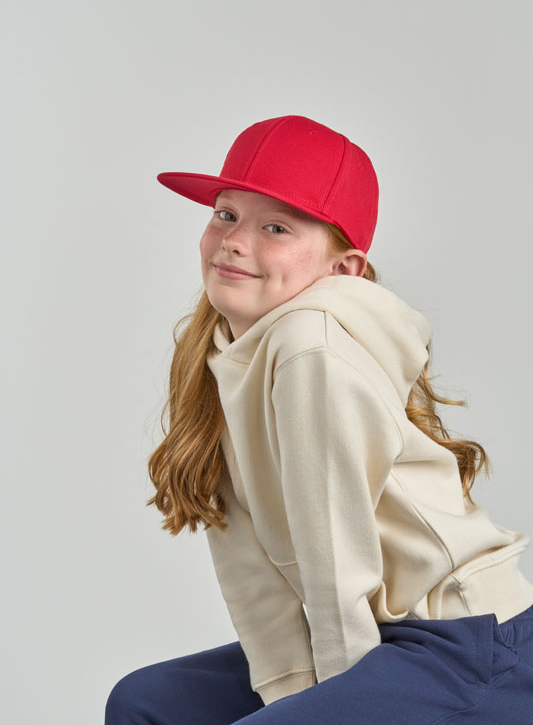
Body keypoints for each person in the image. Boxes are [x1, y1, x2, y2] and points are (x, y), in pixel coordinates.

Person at [105, 115, 533, 724]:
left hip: (467, 640)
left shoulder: (311, 346)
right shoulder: (222, 352)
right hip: (377, 633)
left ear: (342, 270)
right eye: (226, 214)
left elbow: (336, 558)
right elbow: (246, 559)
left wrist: (327, 704)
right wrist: (288, 688)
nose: (233, 240)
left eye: (275, 227)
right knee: (145, 702)